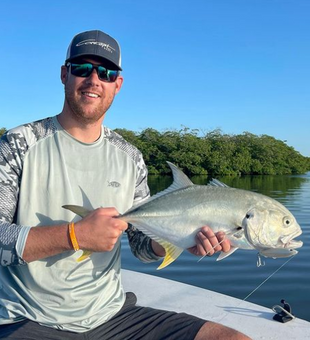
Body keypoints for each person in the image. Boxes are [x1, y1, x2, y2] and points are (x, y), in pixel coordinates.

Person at [0, 30, 250, 340]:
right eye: (82, 68)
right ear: (64, 74)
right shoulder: (19, 143)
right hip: (29, 318)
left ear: (117, 84)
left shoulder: (130, 158)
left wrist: (182, 238)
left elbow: (143, 248)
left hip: (112, 316)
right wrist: (74, 236)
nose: (94, 79)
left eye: (106, 72)